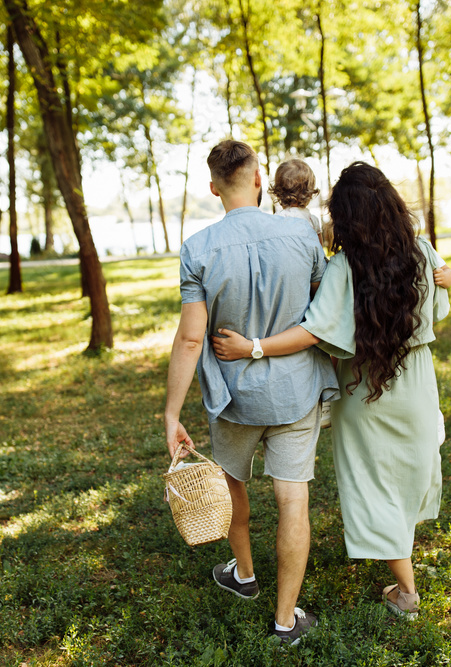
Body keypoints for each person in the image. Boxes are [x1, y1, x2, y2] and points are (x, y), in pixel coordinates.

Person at [211, 161, 451, 620]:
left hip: (366, 389)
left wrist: (253, 347)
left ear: (346, 218)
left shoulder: (345, 266)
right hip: (418, 384)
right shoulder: (423, 253)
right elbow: (437, 309)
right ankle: (403, 569)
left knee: (372, 482)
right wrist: (449, 276)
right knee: (406, 472)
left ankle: (406, 592)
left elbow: (312, 332)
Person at [163, 140, 338, 644]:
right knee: (293, 500)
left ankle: (244, 575)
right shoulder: (301, 237)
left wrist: (171, 412)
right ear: (260, 180)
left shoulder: (198, 248)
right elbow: (323, 310)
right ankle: (286, 621)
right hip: (294, 392)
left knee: (234, 485)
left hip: (232, 398)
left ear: (214, 188)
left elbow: (192, 337)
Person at [268, 159, 324, 245]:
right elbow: (320, 253)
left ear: (278, 192)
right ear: (309, 193)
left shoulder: (276, 220)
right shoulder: (313, 221)